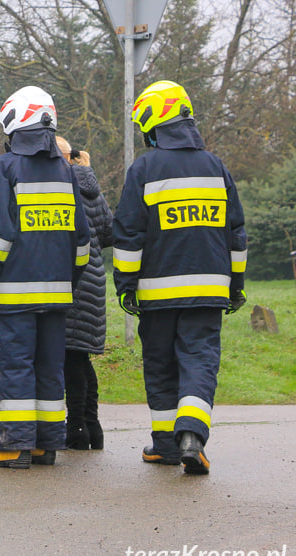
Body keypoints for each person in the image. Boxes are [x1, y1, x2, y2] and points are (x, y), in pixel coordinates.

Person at [113, 81, 247, 474]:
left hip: (156, 293)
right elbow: (235, 233)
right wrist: (235, 285)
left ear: (153, 123)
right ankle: (192, 436)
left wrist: (126, 285)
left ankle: (166, 446)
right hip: (209, 290)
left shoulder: (144, 168)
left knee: (159, 365)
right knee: (199, 361)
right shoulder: (214, 166)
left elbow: (128, 234)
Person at [0, 86, 90, 469]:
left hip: (14, 295)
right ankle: (45, 444)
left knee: (14, 365)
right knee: (49, 366)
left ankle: (15, 446)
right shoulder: (65, 170)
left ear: (14, 122)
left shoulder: (4, 167)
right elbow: (82, 239)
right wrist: (68, 282)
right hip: (57, 294)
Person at [55, 136, 112, 450]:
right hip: (94, 278)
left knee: (70, 357)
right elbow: (109, 231)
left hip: (72, 277)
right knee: (79, 356)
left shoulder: (62, 185)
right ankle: (92, 425)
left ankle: (76, 428)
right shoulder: (92, 187)